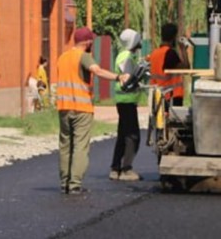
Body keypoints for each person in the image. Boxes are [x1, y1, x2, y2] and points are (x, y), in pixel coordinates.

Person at [57, 27, 129, 195]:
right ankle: (75, 184)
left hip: (63, 108)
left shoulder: (62, 57)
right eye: (91, 41)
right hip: (81, 109)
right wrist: (118, 77)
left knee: (65, 146)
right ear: (88, 42)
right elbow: (96, 70)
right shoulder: (84, 57)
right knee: (80, 146)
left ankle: (64, 182)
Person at [110, 28, 144, 182]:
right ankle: (126, 169)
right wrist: (140, 75)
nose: (139, 42)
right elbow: (128, 78)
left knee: (123, 134)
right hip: (127, 101)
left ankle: (115, 167)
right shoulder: (127, 57)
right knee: (133, 136)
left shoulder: (123, 55)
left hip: (122, 101)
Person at [148, 23, 190, 107]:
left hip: (157, 95)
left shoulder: (154, 53)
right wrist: (183, 50)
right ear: (173, 38)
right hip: (172, 96)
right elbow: (186, 68)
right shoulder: (170, 53)